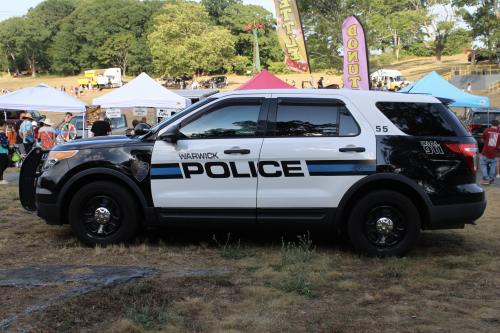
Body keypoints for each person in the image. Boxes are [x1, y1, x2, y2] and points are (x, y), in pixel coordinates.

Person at [480, 119, 500, 185]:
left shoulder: (487, 130)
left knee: (483, 165)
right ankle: (492, 180)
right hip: (494, 152)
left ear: (491, 124)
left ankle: (485, 179)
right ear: (498, 125)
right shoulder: (499, 132)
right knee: (493, 166)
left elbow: (482, 139)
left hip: (486, 151)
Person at [0, 120, 9, 184]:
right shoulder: (2, 133)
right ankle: (1, 180)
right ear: (3, 125)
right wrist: (9, 145)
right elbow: (4, 143)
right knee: (3, 165)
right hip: (2, 151)